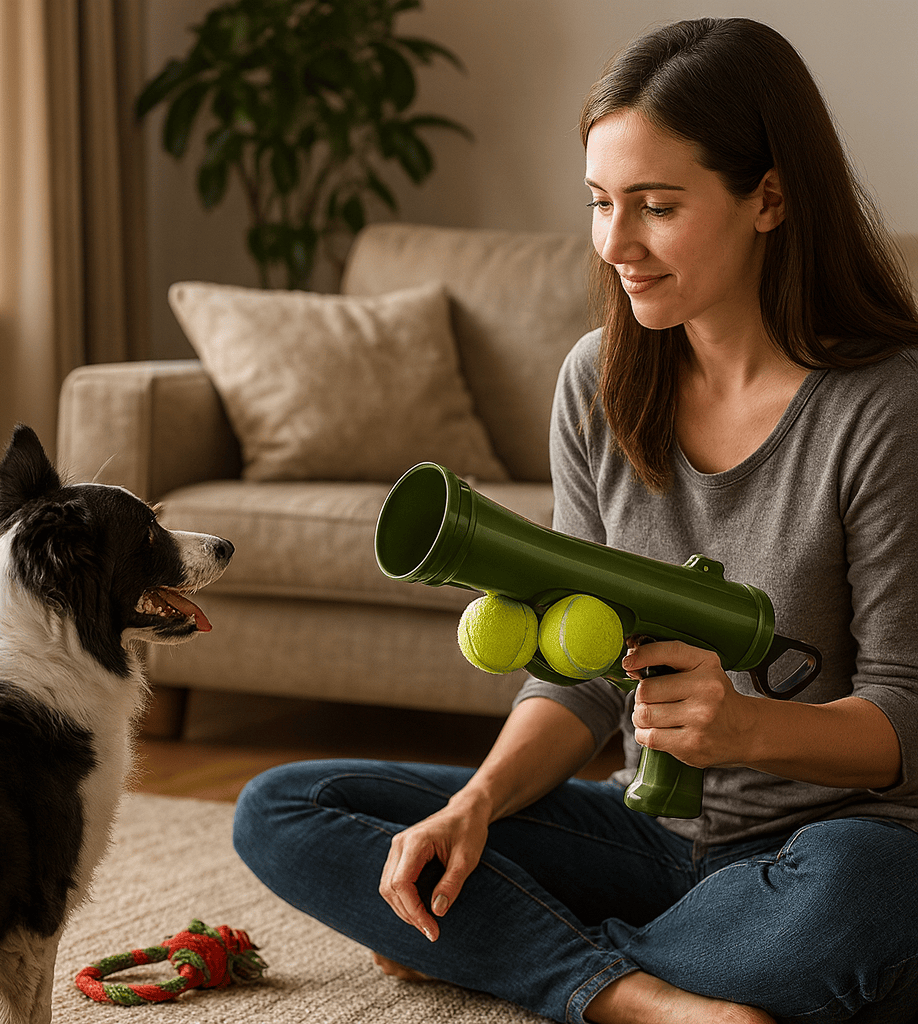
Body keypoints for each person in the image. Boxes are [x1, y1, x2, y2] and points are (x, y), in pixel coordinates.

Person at [232, 17, 918, 1023]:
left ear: (768, 198)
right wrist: (474, 807)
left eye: (656, 206)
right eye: (601, 202)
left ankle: (527, 954)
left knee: (863, 906)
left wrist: (742, 727)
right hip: (653, 836)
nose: (615, 244)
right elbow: (584, 677)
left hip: (841, 842)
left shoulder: (885, 404)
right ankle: (634, 992)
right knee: (285, 807)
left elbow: (906, 712)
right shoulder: (597, 379)